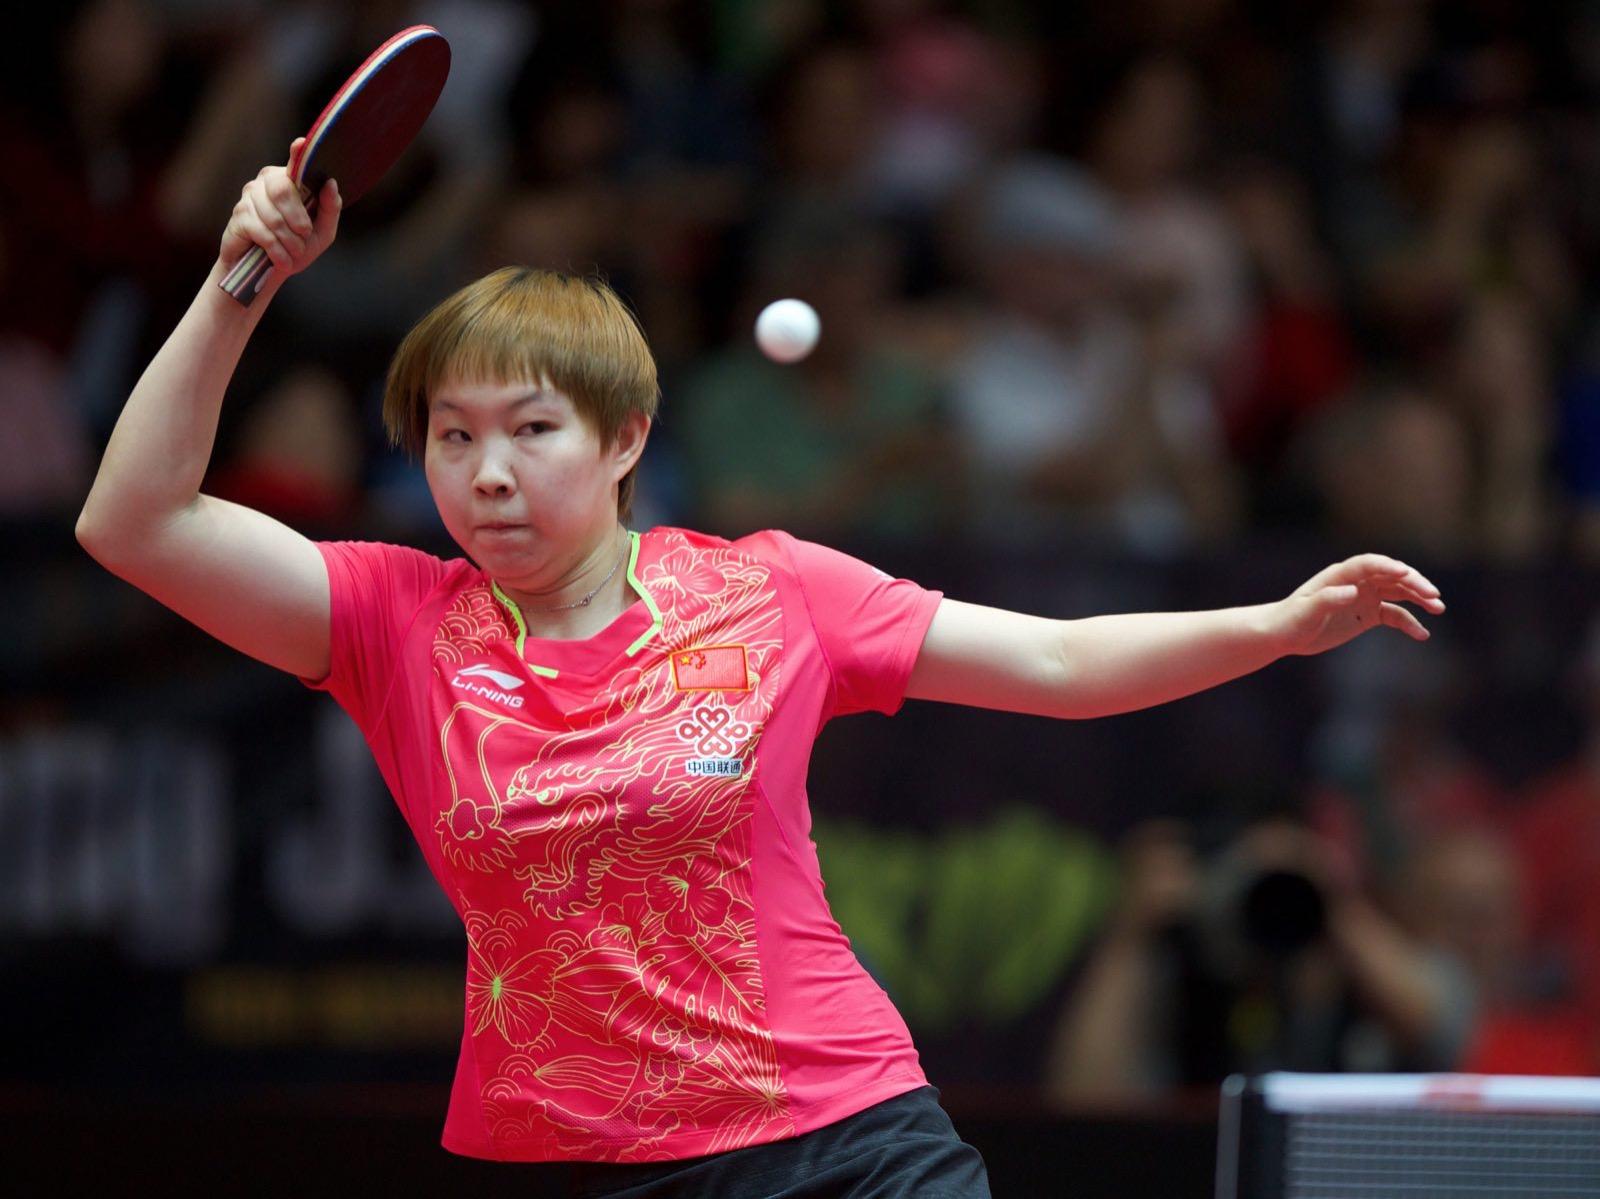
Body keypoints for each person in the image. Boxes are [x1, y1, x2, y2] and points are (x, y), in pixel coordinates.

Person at [75, 151, 1445, 1195]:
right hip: (571, 1160)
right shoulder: (393, 619)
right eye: (451, 435)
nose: (487, 472)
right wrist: (242, 279)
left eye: (532, 429)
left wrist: (1272, 625)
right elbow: (133, 521)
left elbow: (1053, 656)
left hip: (839, 1135)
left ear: (626, 439)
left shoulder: (770, 589)